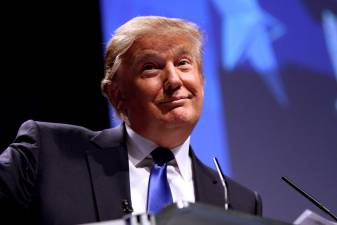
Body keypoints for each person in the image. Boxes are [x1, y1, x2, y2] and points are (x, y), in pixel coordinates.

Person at [0, 16, 262, 225]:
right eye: (151, 67)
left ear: (202, 83)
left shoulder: (240, 202)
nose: (174, 80)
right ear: (117, 94)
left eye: (183, 63)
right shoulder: (48, 153)